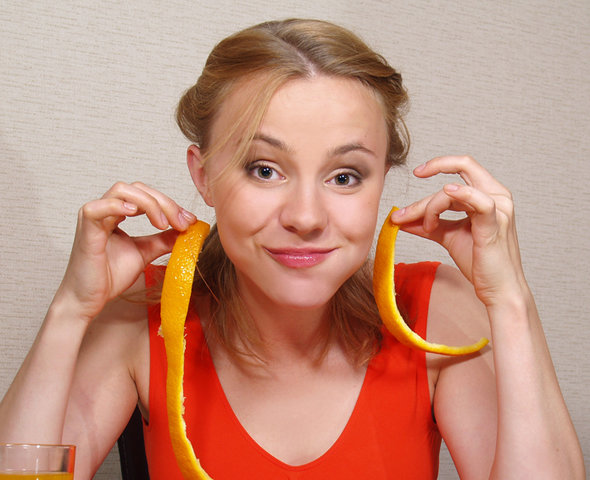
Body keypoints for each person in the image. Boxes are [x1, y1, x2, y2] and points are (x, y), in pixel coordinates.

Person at [0, 18, 584, 480]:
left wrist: (510, 301)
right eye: (264, 169)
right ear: (203, 177)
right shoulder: (141, 315)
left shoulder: (436, 312)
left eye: (345, 176)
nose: (305, 217)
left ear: (382, 181)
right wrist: (71, 309)